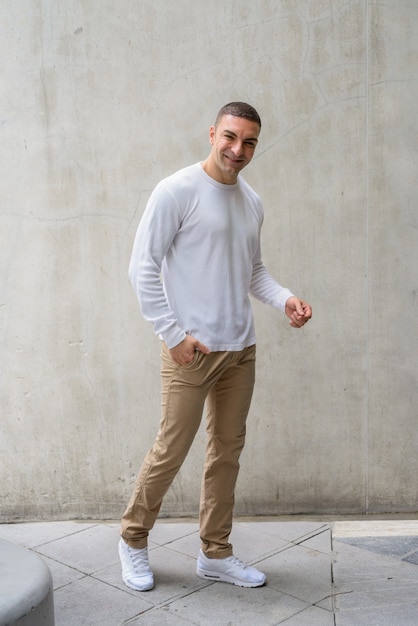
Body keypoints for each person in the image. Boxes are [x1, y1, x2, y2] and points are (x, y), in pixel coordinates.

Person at [119, 102, 312, 591]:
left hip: (240, 350)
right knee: (171, 450)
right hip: (192, 349)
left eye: (249, 142)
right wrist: (173, 335)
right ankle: (133, 539)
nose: (237, 149)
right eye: (230, 136)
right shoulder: (176, 191)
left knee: (227, 454)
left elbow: (253, 273)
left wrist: (286, 299)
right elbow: (142, 267)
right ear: (212, 133)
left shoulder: (251, 201)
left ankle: (216, 553)